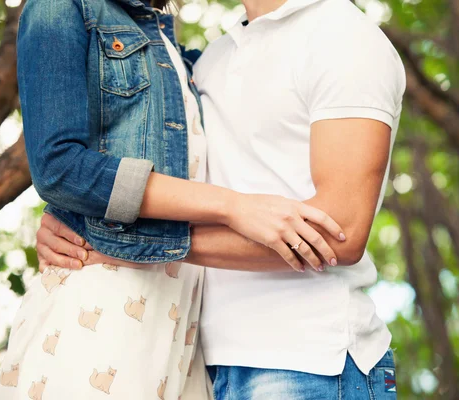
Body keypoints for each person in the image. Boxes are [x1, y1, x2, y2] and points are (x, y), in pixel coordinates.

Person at [40, 0, 407, 398]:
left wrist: (129, 248)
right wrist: (68, 225)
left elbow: (341, 233)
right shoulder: (212, 58)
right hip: (197, 364)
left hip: (308, 361)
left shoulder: (342, 35)